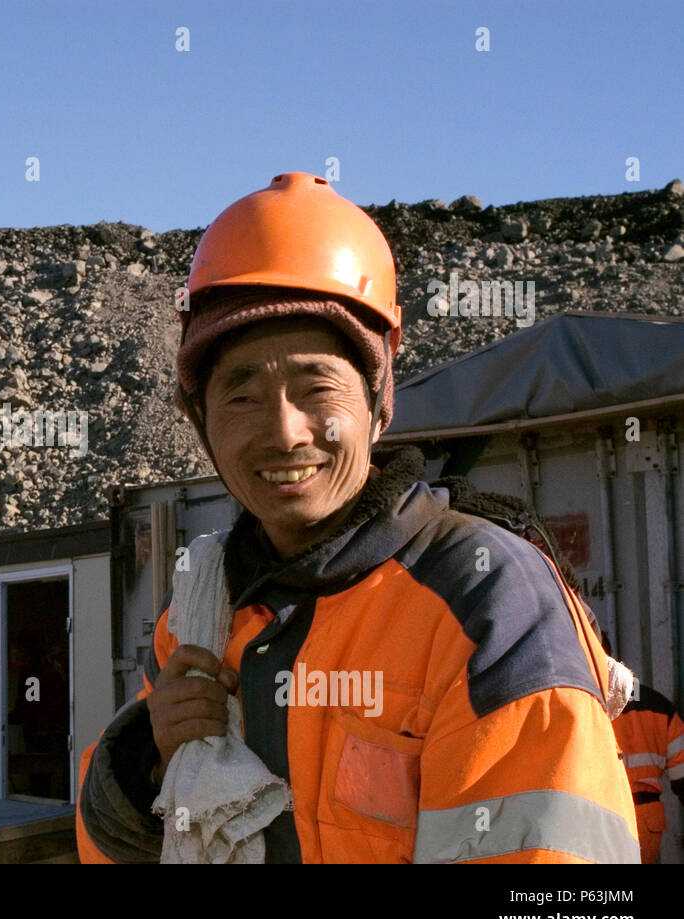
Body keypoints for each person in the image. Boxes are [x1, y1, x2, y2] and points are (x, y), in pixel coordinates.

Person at [76, 172, 638, 864]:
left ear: (378, 401)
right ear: (200, 419)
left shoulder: (486, 601)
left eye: (316, 387)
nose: (283, 433)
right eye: (242, 397)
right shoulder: (200, 610)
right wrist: (142, 766)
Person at [611, 680, 684, 863]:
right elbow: (682, 776)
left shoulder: (588, 700)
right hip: (647, 819)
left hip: (605, 811)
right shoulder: (658, 704)